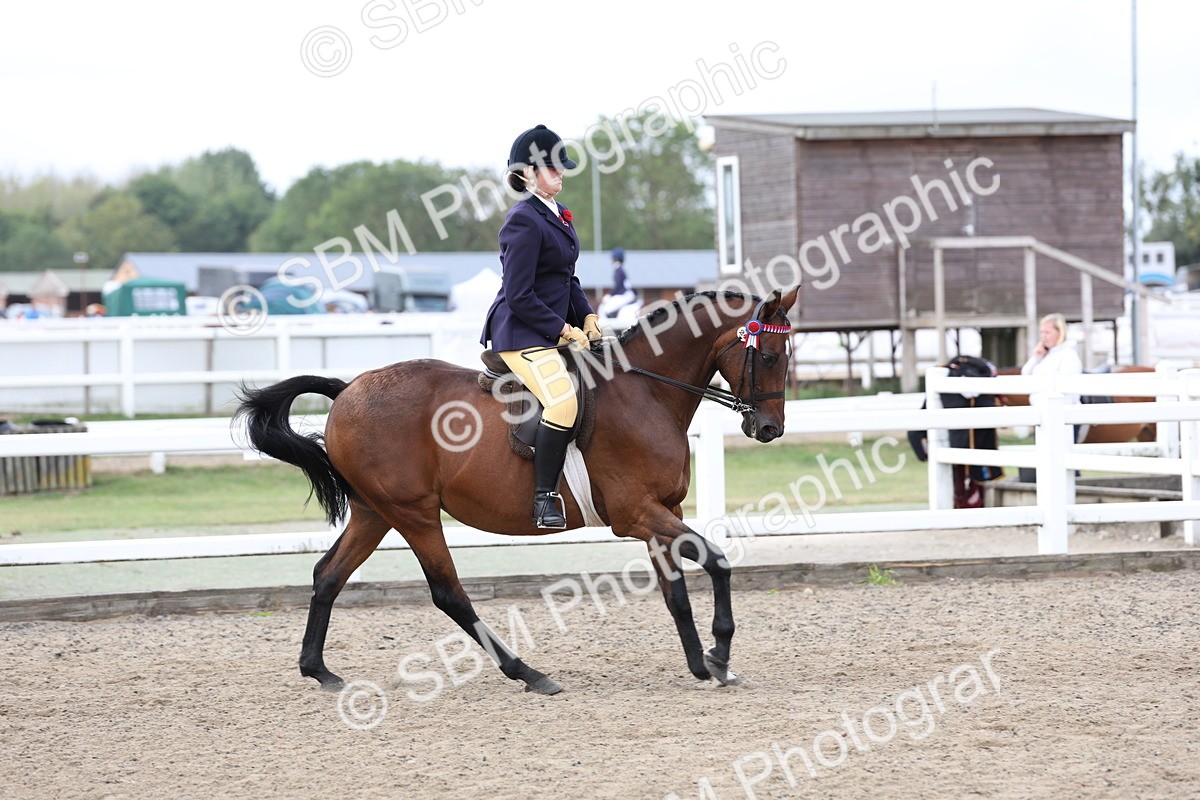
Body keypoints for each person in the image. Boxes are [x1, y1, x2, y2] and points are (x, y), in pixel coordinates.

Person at [480, 124, 602, 529]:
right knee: (563, 401)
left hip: (552, 326)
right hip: (521, 331)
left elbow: (566, 279)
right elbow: (520, 295)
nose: (561, 174)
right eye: (553, 168)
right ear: (529, 172)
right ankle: (544, 497)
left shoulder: (556, 216)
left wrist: (587, 315)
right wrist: (565, 331)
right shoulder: (523, 220)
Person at [1021, 312, 1085, 441]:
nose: (1043, 337)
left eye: (1047, 332)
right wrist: (1036, 357)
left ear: (1059, 332)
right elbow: (1025, 375)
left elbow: (1067, 389)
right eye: (1041, 332)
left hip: (1061, 416)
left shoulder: (1068, 355)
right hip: (1043, 415)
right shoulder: (1046, 355)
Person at [597, 247, 638, 319]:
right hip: (625, 294)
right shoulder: (620, 269)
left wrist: (609, 295)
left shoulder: (619, 270)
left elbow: (618, 286)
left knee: (607, 309)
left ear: (615, 258)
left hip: (624, 294)